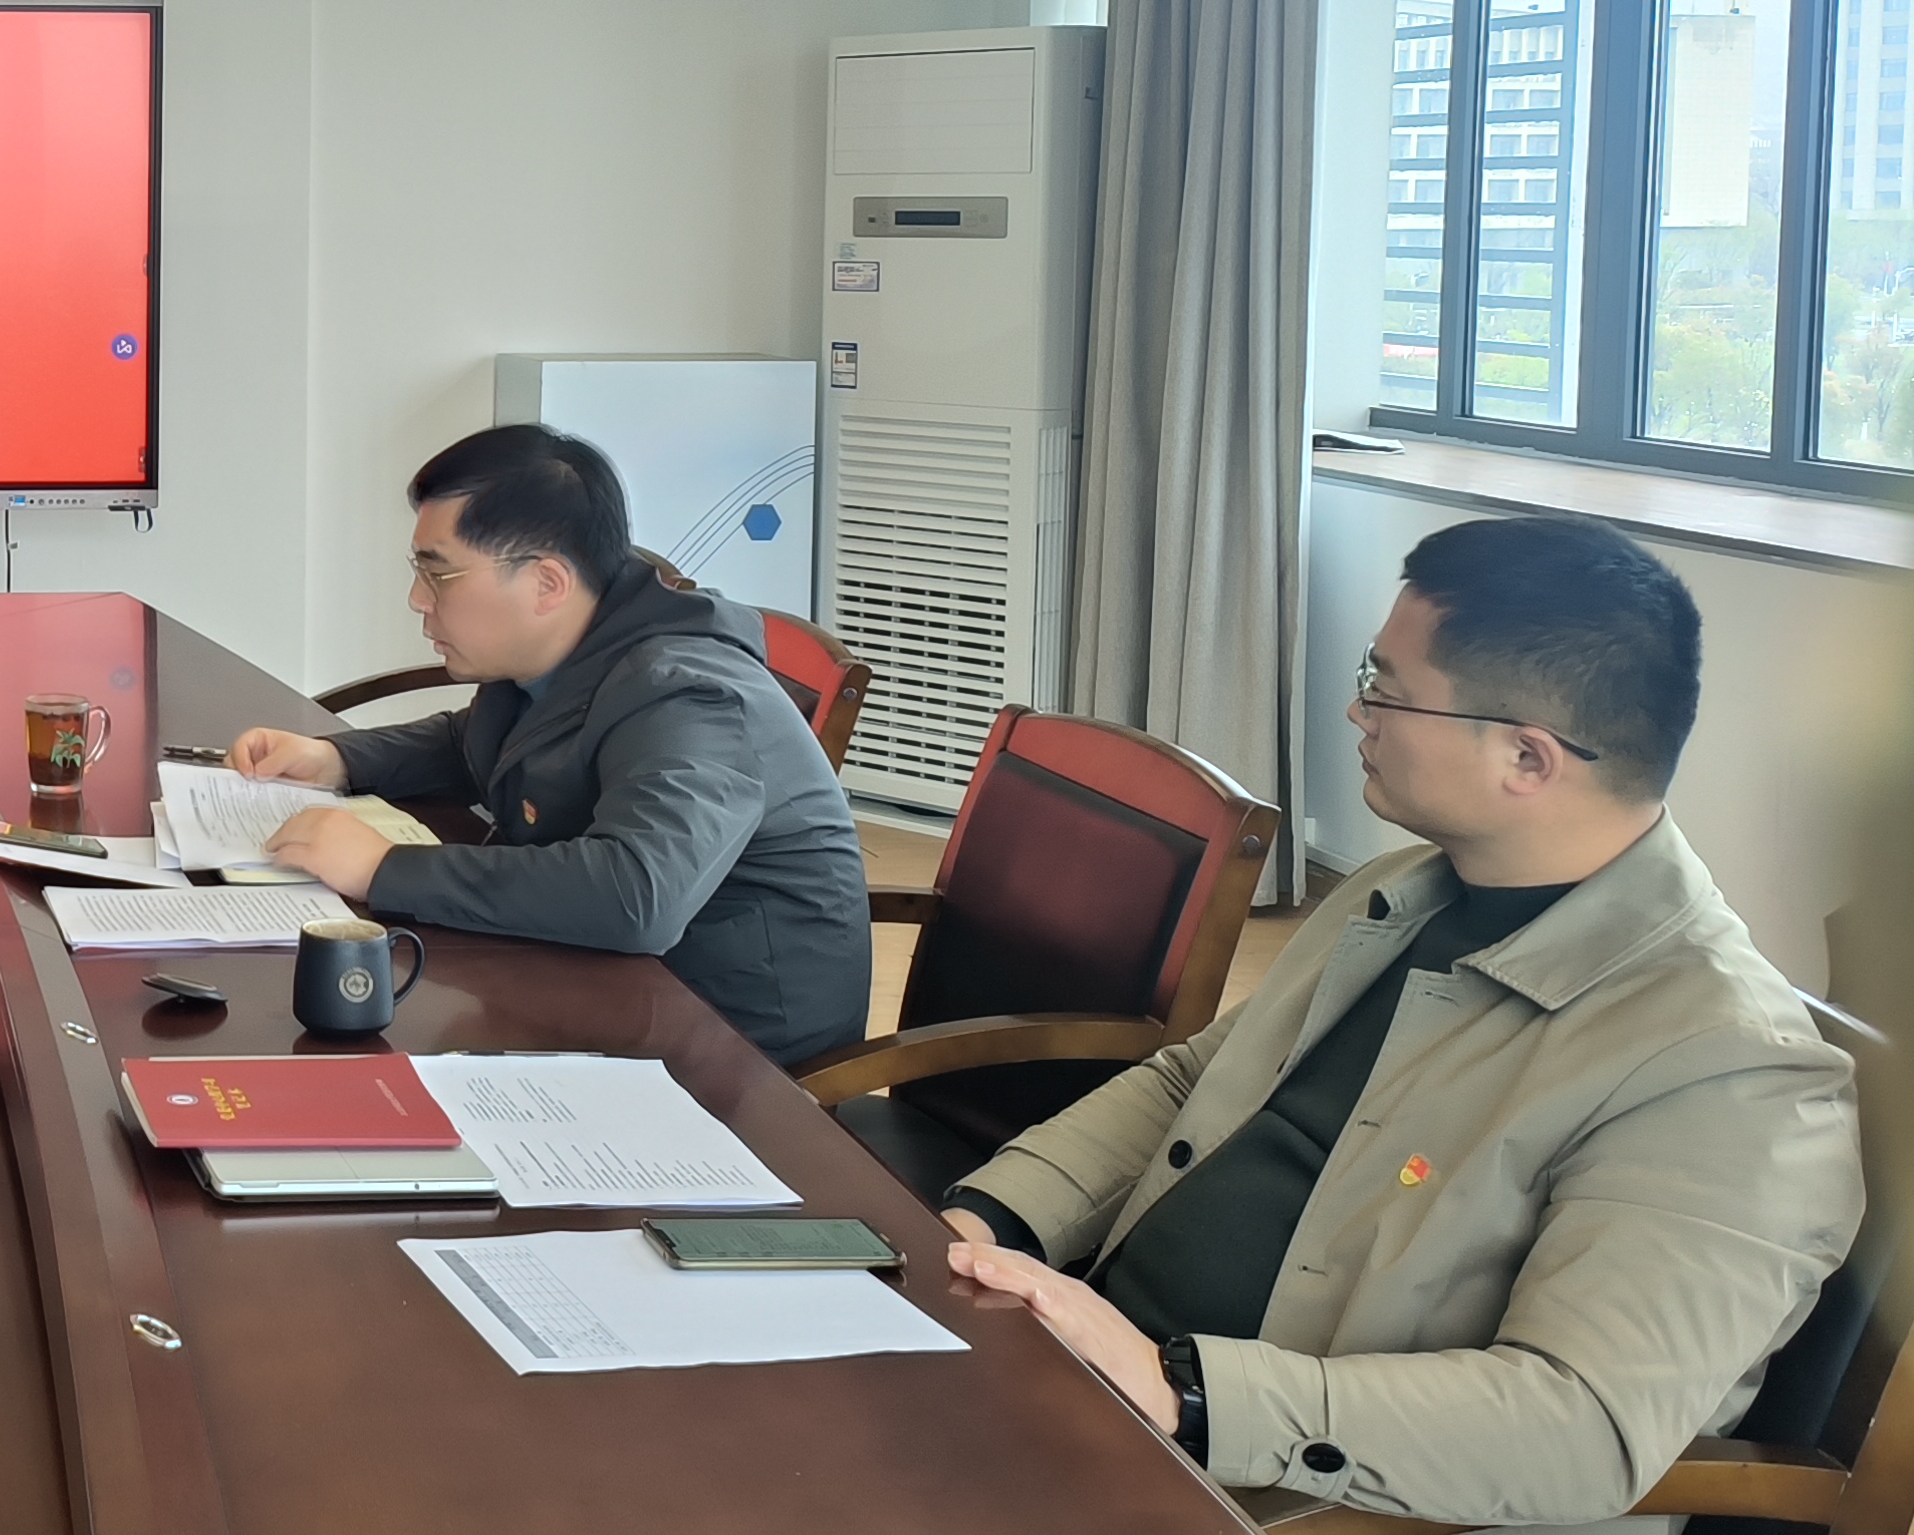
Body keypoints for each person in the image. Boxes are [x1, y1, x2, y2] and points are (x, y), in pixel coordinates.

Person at [941, 517, 1860, 1528]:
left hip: (1291, 1495)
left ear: (1526, 757)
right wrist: (988, 1222)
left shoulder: (1731, 1073)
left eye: (1385, 687)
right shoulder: (1403, 893)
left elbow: (1581, 1425)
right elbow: (1191, 1082)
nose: (1357, 711)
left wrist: (1186, 1394)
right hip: (1105, 1393)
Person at [223, 423, 869, 1065]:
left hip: (737, 1060)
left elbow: (636, 896)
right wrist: (339, 759)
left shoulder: (686, 692)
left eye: (439, 574)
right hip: (609, 989)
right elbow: (475, 745)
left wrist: (384, 868)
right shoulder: (569, 646)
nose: (417, 599)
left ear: (547, 583)